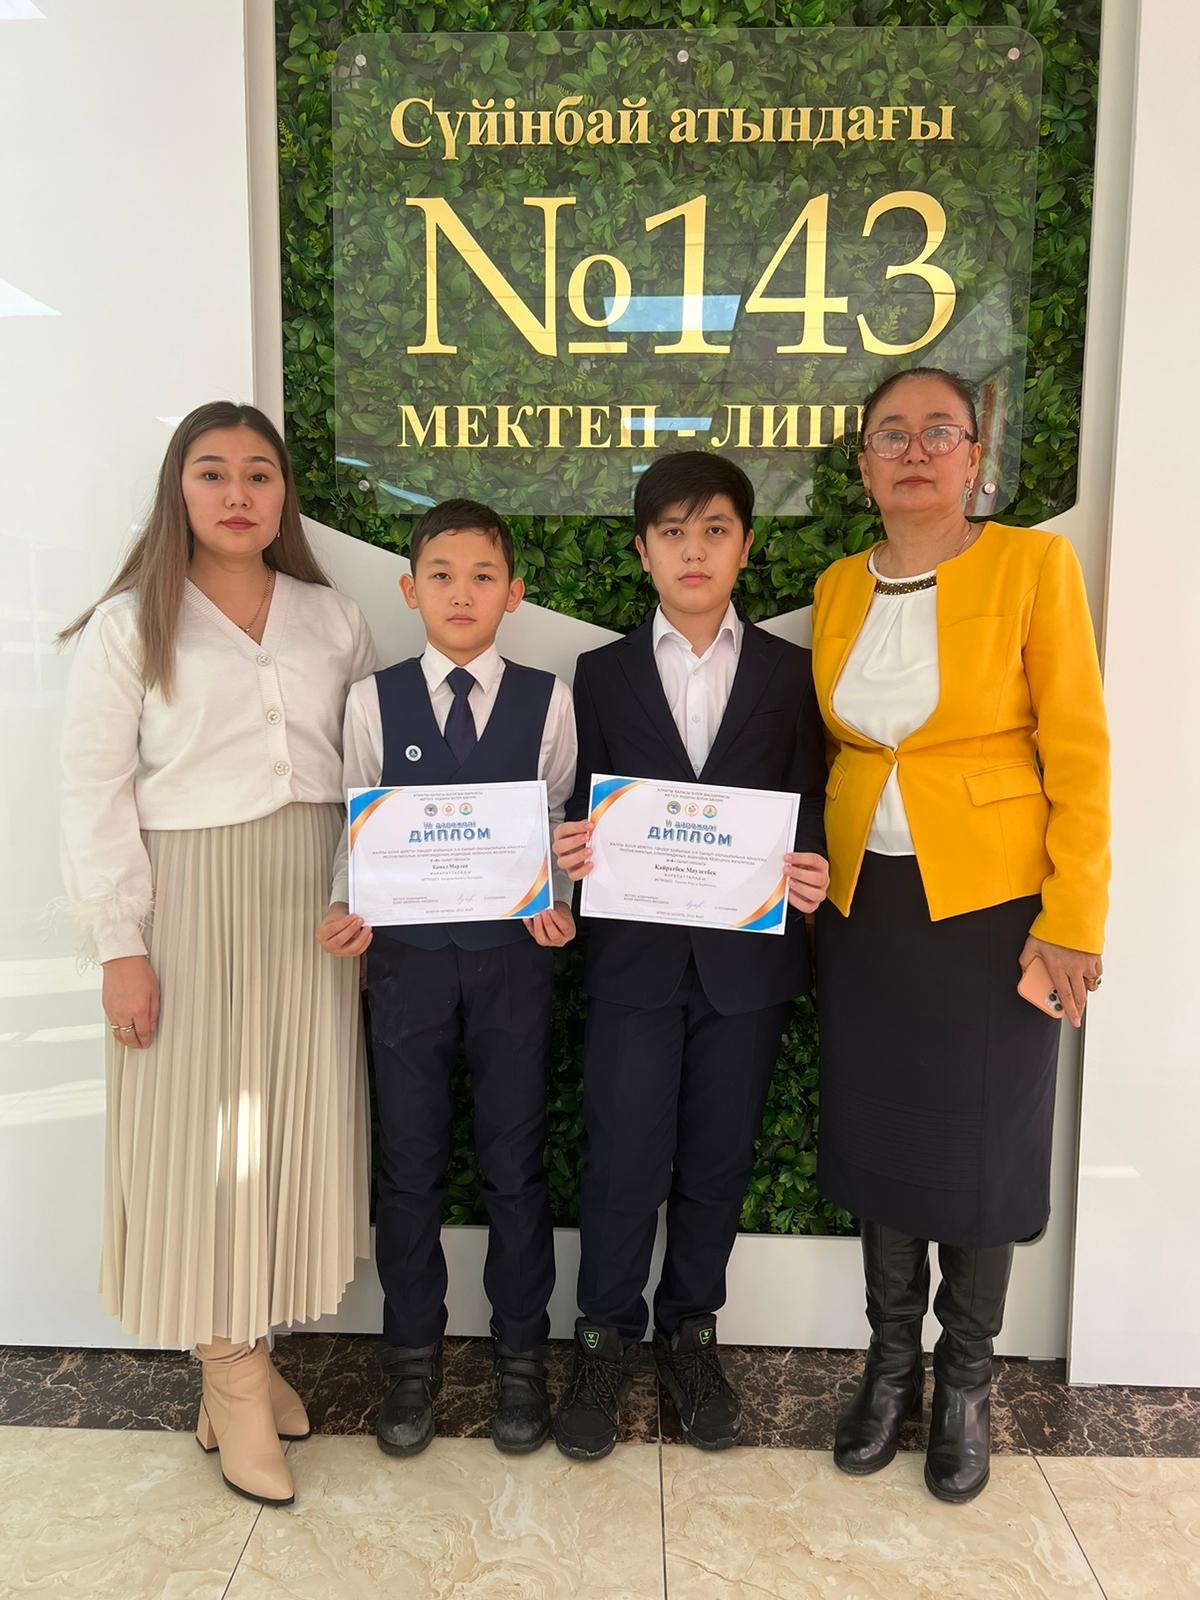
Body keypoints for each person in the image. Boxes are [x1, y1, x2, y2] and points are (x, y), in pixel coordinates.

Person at [58, 402, 377, 1507]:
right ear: (178, 489)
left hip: (309, 903)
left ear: (285, 493)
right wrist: (120, 946)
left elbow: (371, 772)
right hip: (187, 902)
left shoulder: (333, 618)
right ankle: (230, 1372)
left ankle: (249, 1348)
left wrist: (358, 894)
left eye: (258, 472)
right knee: (195, 1137)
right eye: (211, 472)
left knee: (282, 1129)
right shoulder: (130, 623)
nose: (237, 492)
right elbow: (92, 792)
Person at [811, 366, 1110, 1504]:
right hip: (865, 911)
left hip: (993, 910)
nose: (916, 451)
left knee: (985, 1147)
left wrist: (1072, 918)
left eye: (940, 432)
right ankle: (890, 1365)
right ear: (865, 465)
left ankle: (967, 1381)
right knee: (882, 1140)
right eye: (892, 434)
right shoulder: (838, 585)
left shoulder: (1033, 565)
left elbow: (1080, 752)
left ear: (975, 457)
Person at [551, 450, 830, 1461]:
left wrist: (813, 865)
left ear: (745, 546)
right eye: (673, 532)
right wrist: (571, 849)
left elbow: (811, 798)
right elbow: (579, 802)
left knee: (717, 1160)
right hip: (634, 963)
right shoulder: (602, 674)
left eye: (714, 529)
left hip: (746, 969)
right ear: (643, 551)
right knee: (623, 1155)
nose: (694, 549)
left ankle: (689, 1335)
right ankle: (601, 1338)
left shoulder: (791, 674)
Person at [317, 498, 577, 1458]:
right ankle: (410, 1358)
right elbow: (356, 822)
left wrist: (559, 900)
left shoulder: (548, 698)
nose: (461, 593)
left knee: (514, 1163)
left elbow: (557, 819)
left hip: (514, 963)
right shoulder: (371, 699)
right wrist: (344, 905)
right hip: (406, 968)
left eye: (482, 576)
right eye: (441, 575)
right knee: (410, 1164)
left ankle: (521, 1357)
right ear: (409, 589)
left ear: (514, 593)